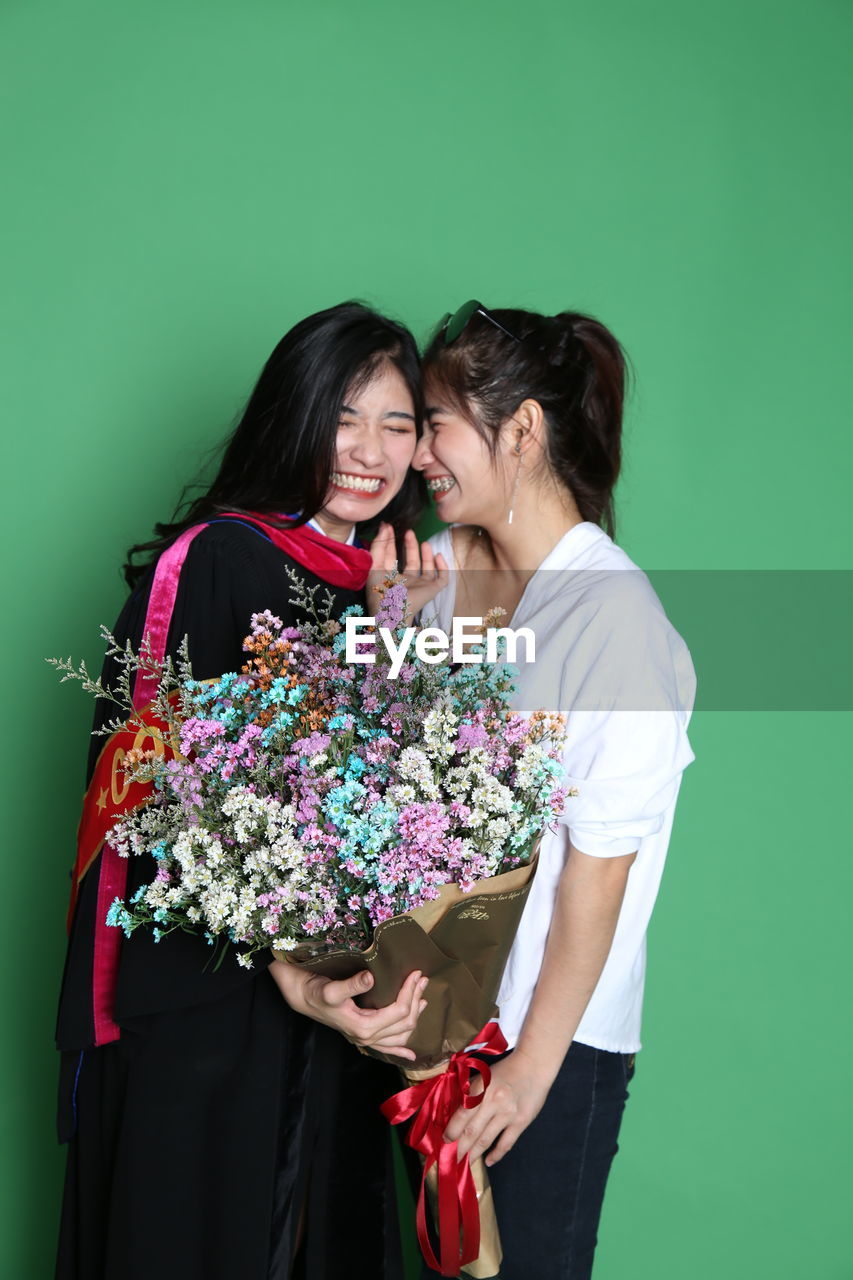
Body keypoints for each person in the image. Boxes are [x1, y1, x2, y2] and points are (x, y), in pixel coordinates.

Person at [54, 301, 446, 1280]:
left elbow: (401, 801)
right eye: (344, 416)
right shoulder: (222, 559)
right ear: (295, 415)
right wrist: (285, 965)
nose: (370, 451)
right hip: (209, 1002)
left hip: (338, 1007)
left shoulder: (398, 583)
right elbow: (170, 797)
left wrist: (407, 642)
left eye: (397, 424)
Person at [412, 300, 696, 1279]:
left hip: (549, 1042)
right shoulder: (439, 575)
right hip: (429, 1019)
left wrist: (531, 1068)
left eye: (437, 421)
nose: (418, 454)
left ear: (521, 430)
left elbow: (596, 874)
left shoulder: (615, 616)